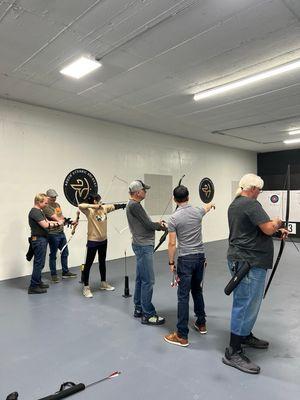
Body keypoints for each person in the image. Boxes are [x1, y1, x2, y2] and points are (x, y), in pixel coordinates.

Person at [222, 173, 288, 374]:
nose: (259, 193)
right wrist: (277, 223)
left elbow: (252, 231)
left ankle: (244, 335)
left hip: (245, 260)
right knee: (245, 303)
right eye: (259, 190)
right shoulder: (250, 204)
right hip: (248, 262)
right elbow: (267, 228)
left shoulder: (235, 204)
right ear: (252, 188)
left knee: (250, 301)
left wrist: (275, 231)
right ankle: (233, 351)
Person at [164, 185, 214, 347]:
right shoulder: (198, 211)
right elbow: (205, 208)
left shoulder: (173, 218)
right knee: (197, 290)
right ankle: (201, 323)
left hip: (185, 260)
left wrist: (171, 263)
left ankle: (181, 335)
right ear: (189, 197)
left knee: (183, 296)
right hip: (200, 258)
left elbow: (172, 243)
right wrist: (210, 205)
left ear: (174, 199)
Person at [126, 180, 167, 325]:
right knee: (148, 280)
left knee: (140, 279)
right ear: (138, 192)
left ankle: (138, 308)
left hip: (140, 245)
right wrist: (160, 226)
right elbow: (148, 225)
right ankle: (148, 314)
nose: (146, 192)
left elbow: (145, 224)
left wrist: (156, 224)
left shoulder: (133, 205)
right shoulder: (135, 206)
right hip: (143, 246)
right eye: (144, 190)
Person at [79, 193, 126, 298]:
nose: (100, 201)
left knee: (102, 262)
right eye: (98, 200)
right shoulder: (89, 211)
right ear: (94, 201)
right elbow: (80, 205)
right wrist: (94, 206)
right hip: (93, 241)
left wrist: (125, 205)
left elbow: (115, 206)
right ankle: (86, 287)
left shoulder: (104, 208)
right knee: (88, 264)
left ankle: (103, 283)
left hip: (103, 240)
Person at [28, 193, 64, 294]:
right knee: (39, 263)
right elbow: (45, 225)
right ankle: (33, 286)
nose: (46, 204)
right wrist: (58, 223)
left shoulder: (39, 211)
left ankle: (38, 282)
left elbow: (47, 221)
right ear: (39, 202)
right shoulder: (35, 212)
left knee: (40, 263)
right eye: (45, 203)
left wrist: (59, 221)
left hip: (41, 239)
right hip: (39, 240)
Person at [44, 189, 77, 282]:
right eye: (52, 197)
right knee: (53, 255)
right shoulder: (46, 207)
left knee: (65, 252)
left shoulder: (57, 205)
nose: (54, 199)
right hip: (52, 234)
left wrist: (70, 221)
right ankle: (53, 275)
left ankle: (65, 272)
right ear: (47, 197)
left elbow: (61, 216)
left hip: (61, 232)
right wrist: (66, 221)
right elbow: (57, 218)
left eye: (55, 197)